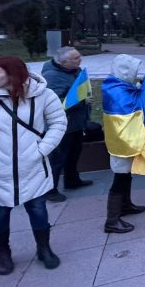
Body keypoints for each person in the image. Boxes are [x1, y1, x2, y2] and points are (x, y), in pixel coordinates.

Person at [0, 56, 66, 275]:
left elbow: (58, 122)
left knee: (38, 212)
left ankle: (44, 249)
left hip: (33, 168)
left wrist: (41, 149)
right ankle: (3, 254)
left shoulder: (43, 95)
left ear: (12, 74)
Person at [41, 47, 93, 202]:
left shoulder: (73, 70)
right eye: (76, 58)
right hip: (62, 126)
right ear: (63, 62)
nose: (80, 59)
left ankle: (72, 180)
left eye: (79, 55)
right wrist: (82, 101)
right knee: (58, 159)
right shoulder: (52, 77)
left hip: (76, 122)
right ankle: (50, 190)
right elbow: (54, 103)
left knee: (73, 154)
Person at [103, 55, 145, 234]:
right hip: (122, 143)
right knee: (120, 179)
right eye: (134, 71)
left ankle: (126, 205)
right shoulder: (116, 91)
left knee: (126, 176)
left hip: (124, 140)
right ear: (125, 71)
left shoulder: (116, 85)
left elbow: (132, 93)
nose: (136, 75)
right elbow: (135, 104)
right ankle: (111, 220)